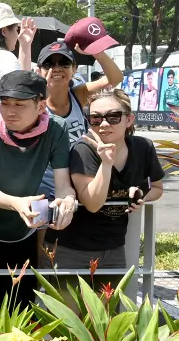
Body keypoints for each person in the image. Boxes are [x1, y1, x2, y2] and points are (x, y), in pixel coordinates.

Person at [0, 71, 78, 308]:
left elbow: (63, 184)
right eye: (4, 103)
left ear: (40, 105)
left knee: (19, 308)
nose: (10, 111)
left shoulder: (57, 128)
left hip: (23, 230)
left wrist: (68, 201)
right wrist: (18, 203)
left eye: (19, 104)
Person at [44, 89, 164, 279]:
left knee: (109, 309)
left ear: (129, 120)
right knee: (69, 310)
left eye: (114, 116)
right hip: (71, 249)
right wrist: (106, 163)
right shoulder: (82, 150)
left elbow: (157, 188)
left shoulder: (143, 148)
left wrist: (141, 195)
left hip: (113, 247)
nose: (104, 124)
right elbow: (92, 204)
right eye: (96, 118)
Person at [35, 38, 122, 198]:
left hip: (80, 184)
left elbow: (115, 79)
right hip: (45, 189)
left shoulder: (78, 94)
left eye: (64, 63)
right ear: (39, 70)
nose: (57, 68)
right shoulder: (33, 103)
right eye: (49, 64)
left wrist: (97, 52)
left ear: (74, 69)